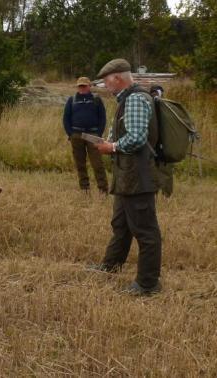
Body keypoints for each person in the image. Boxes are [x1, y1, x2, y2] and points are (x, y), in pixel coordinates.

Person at [91, 58, 163, 295]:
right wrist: (109, 143)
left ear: (118, 78)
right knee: (121, 225)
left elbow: (137, 138)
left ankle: (148, 283)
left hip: (138, 176)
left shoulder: (134, 100)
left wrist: (110, 147)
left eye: (106, 81)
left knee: (146, 231)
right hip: (127, 175)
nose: (105, 86)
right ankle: (110, 266)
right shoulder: (127, 99)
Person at [62, 76, 108, 193]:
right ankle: (85, 189)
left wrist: (99, 133)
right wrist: (70, 134)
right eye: (80, 86)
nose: (82, 88)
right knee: (80, 164)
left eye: (84, 86)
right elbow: (66, 118)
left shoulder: (96, 99)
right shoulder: (71, 100)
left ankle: (103, 190)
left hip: (93, 135)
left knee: (98, 164)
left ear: (89, 86)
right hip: (76, 135)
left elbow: (103, 118)